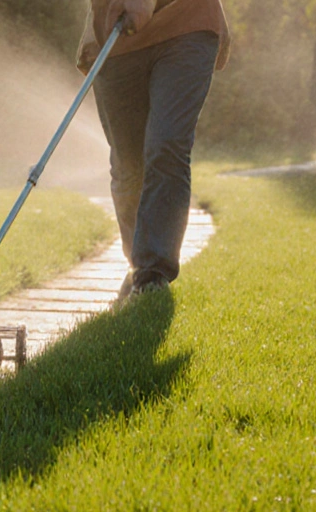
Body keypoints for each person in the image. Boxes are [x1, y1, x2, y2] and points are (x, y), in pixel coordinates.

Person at [77, 0, 231, 298]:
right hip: (116, 32)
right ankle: (138, 263)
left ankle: (152, 274)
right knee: (128, 162)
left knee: (166, 144)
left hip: (188, 21)